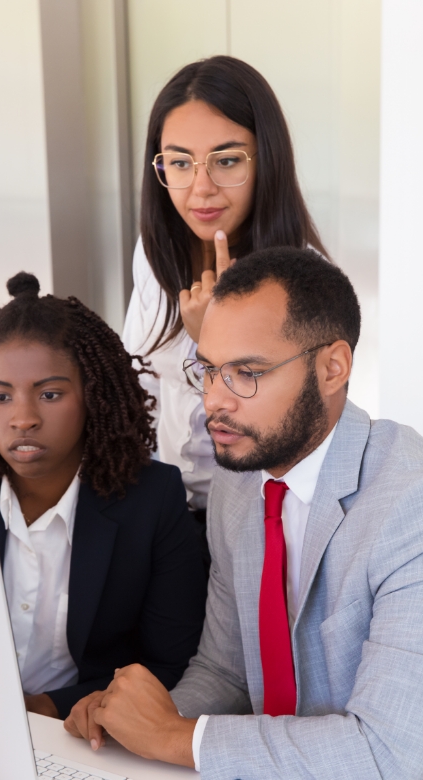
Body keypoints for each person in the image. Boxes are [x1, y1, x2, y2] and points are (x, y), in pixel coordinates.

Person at [65, 248, 423, 779]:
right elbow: (226, 671)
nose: (214, 402)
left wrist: (176, 736)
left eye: (247, 372)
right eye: (207, 370)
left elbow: (385, 758)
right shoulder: (242, 477)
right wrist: (134, 721)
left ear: (332, 368)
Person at [0, 272, 207, 721]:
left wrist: (50, 708)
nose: (23, 418)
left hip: (73, 734)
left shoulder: (151, 501)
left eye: (50, 394)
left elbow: (171, 663)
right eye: (0, 396)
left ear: (93, 396)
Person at [122, 55, 328, 527]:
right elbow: (137, 386)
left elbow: (282, 442)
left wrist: (209, 343)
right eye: (179, 163)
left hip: (251, 522)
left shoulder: (303, 282)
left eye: (228, 160)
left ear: (265, 160)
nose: (201, 189)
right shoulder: (156, 257)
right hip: (159, 514)